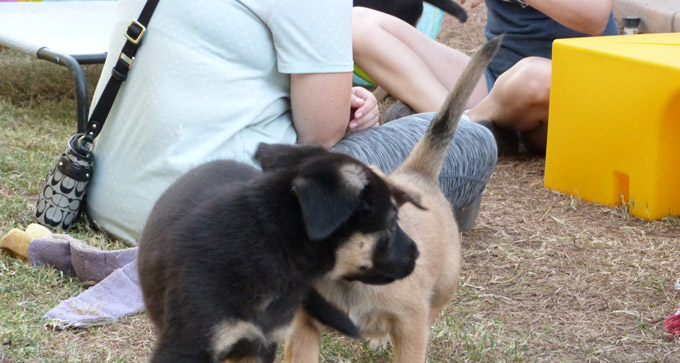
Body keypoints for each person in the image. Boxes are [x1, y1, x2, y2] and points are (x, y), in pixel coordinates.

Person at [85, 0, 497, 244]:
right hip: (225, 219)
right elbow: (322, 131)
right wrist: (338, 107)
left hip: (114, 197)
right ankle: (418, 229)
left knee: (406, 118)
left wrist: (341, 101)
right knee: (473, 138)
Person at [352, 0, 618, 153]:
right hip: (494, 78)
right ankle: (467, 127)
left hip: (567, 91)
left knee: (535, 78)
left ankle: (462, 123)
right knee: (358, 25)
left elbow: (594, 17)